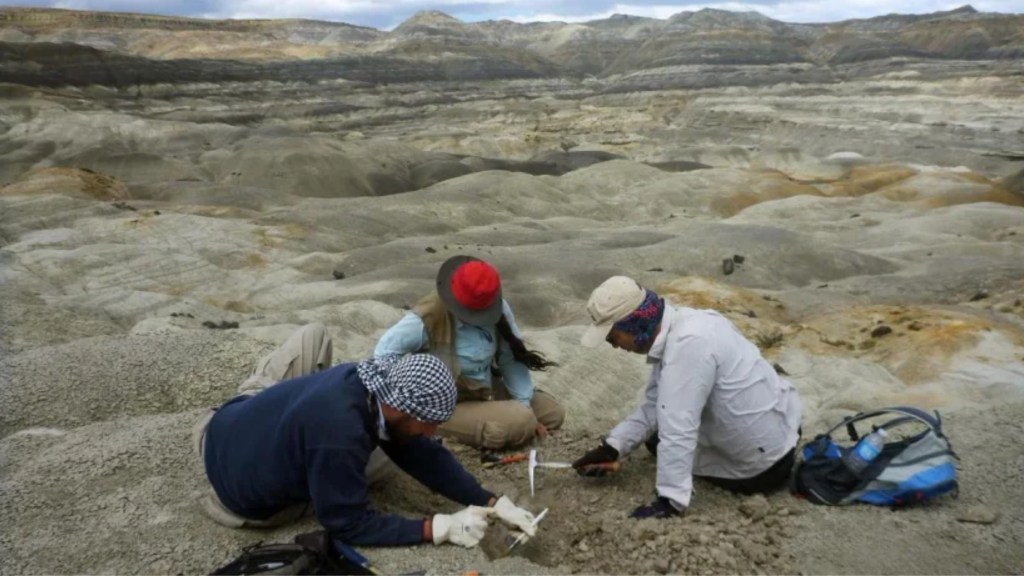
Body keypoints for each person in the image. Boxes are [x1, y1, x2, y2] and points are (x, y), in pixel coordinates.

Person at [192, 323, 537, 548]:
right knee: (385, 458)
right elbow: (348, 523)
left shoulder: (365, 381)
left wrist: (489, 500)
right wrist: (439, 528)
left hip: (223, 425)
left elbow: (419, 449)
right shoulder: (340, 437)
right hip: (239, 501)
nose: (433, 432)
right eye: (430, 422)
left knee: (312, 341)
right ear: (406, 410)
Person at [572, 276, 802, 519]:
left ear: (632, 324)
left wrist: (669, 501)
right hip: (784, 429)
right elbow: (655, 405)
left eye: (611, 337)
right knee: (657, 436)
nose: (614, 346)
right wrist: (613, 447)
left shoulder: (688, 347)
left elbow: (677, 426)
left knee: (660, 442)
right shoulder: (692, 322)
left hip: (764, 467)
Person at [374, 255, 565, 450]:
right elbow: (384, 353)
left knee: (552, 413)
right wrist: (408, 406)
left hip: (485, 388)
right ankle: (439, 429)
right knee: (521, 421)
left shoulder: (499, 308)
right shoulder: (429, 317)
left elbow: (510, 360)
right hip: (448, 404)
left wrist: (524, 403)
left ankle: (509, 418)